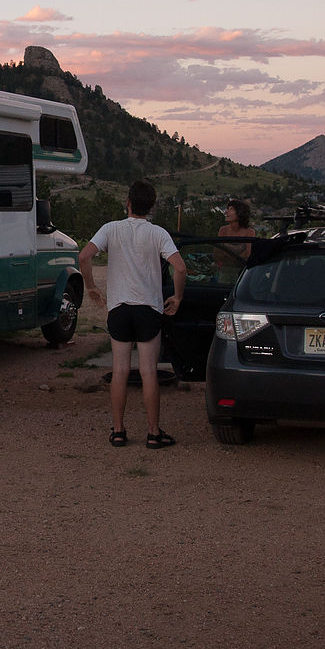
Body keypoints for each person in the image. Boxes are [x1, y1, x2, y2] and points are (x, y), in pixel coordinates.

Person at [77, 179, 187, 450]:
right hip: (148, 309)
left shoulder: (110, 229)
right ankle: (152, 433)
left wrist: (91, 286)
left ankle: (118, 431)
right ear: (151, 206)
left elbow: (84, 257)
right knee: (149, 372)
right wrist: (178, 296)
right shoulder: (158, 233)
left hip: (119, 310)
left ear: (127, 202)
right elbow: (180, 268)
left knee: (120, 371)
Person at [216, 197, 256, 271]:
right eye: (227, 209)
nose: (226, 212)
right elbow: (218, 253)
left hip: (243, 270)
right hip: (225, 270)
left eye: (231, 209)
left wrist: (231, 259)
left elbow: (248, 253)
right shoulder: (223, 230)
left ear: (239, 213)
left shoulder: (250, 232)